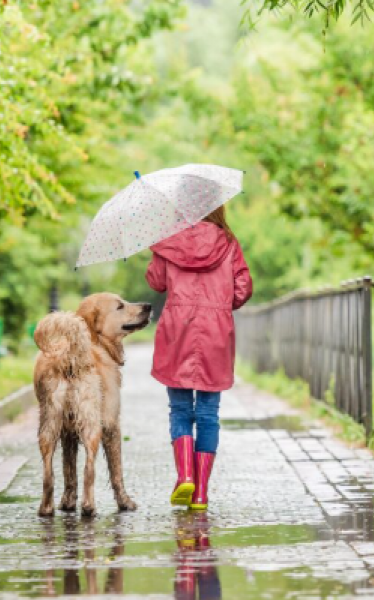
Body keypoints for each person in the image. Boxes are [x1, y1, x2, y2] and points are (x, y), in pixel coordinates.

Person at [145, 205, 253, 510]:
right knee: (208, 412)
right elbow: (242, 288)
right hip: (216, 330)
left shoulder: (168, 240)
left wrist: (158, 251)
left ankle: (185, 477)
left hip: (177, 329)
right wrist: (220, 302)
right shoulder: (228, 242)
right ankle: (201, 493)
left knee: (179, 408)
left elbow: (156, 282)